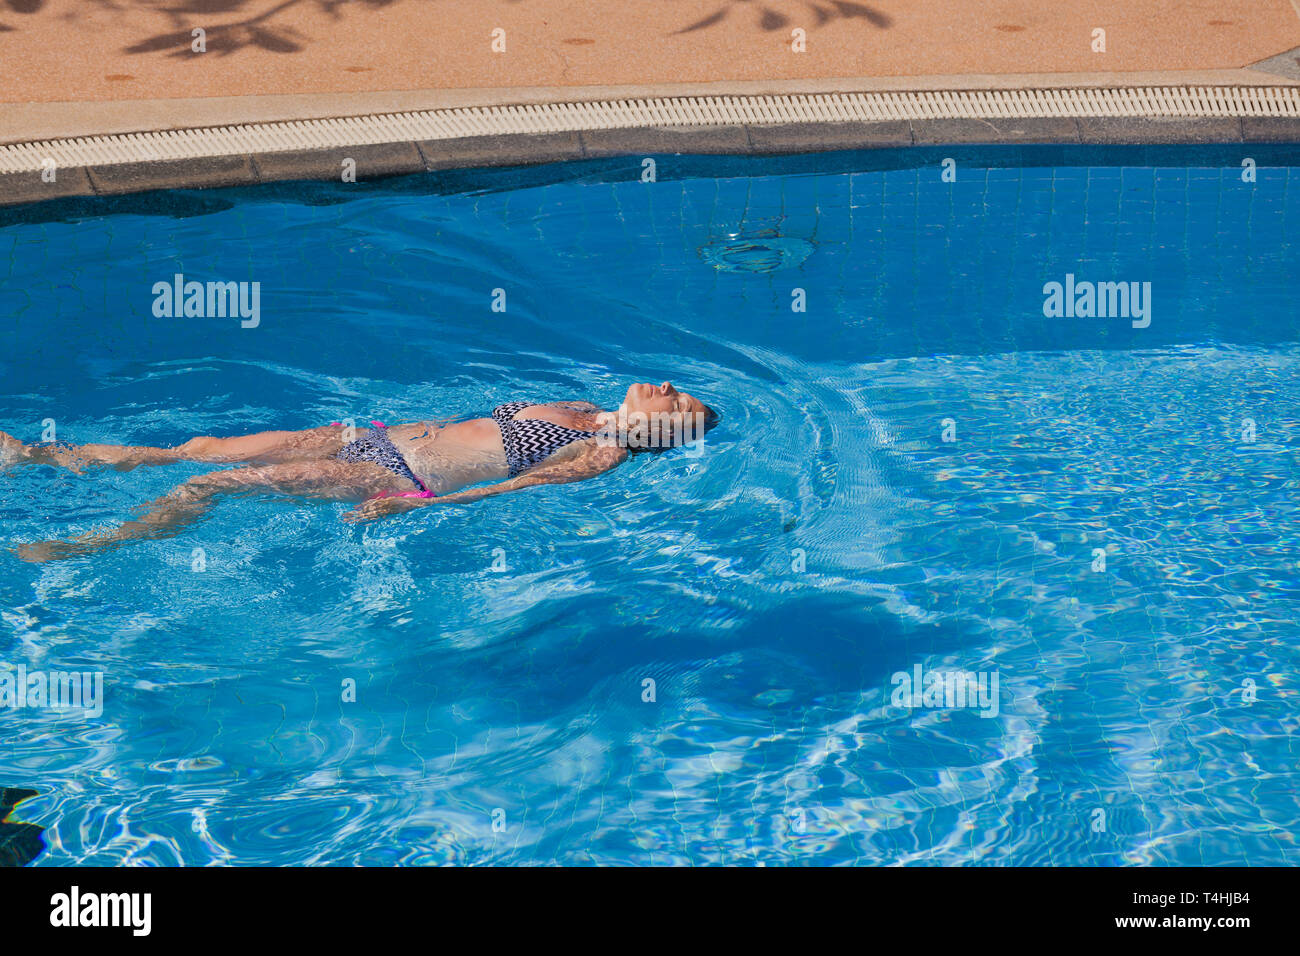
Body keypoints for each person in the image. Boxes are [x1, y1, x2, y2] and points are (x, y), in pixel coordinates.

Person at [3, 382, 717, 561]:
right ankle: (33, 456)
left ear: (670, 428)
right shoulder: (583, 407)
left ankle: (90, 545)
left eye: (678, 399)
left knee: (209, 486)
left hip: (390, 478)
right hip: (368, 436)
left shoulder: (602, 454)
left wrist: (413, 508)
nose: (664, 386)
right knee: (198, 447)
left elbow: (512, 487)